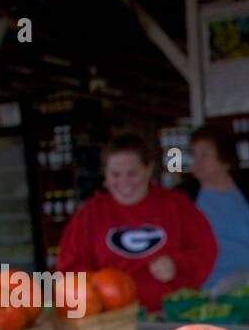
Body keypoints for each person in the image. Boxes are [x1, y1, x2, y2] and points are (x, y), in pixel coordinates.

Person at [57, 132, 217, 314]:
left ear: (148, 169)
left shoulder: (176, 205)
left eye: (132, 173)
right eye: (115, 174)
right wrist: (97, 288)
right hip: (113, 320)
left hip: (172, 316)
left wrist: (177, 266)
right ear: (105, 175)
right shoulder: (89, 215)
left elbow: (206, 249)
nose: (124, 182)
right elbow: (69, 269)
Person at [181, 126, 249, 291]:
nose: (197, 162)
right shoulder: (186, 196)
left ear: (225, 160)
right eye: (194, 155)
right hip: (209, 293)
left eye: (204, 155)